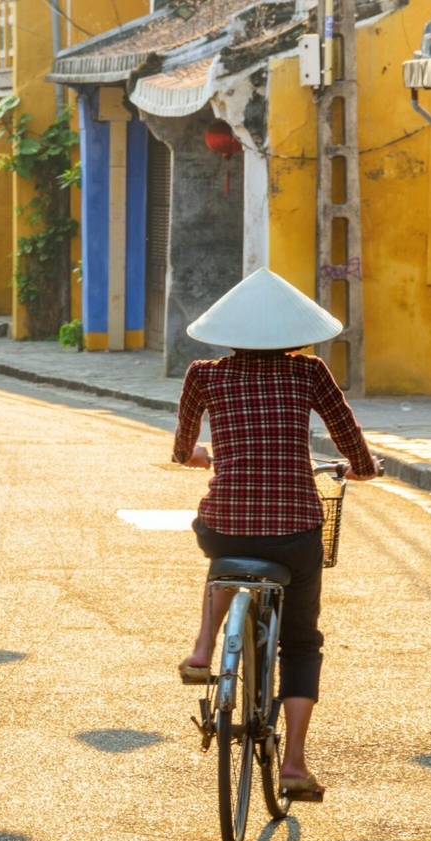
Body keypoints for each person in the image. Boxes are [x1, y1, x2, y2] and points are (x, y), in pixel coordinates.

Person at [171, 268, 379, 799]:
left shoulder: (205, 375)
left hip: (224, 527)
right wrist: (363, 466)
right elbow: (347, 432)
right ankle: (294, 765)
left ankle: (201, 650)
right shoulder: (308, 374)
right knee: (302, 642)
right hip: (295, 532)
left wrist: (198, 457)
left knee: (224, 557)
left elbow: (182, 446)